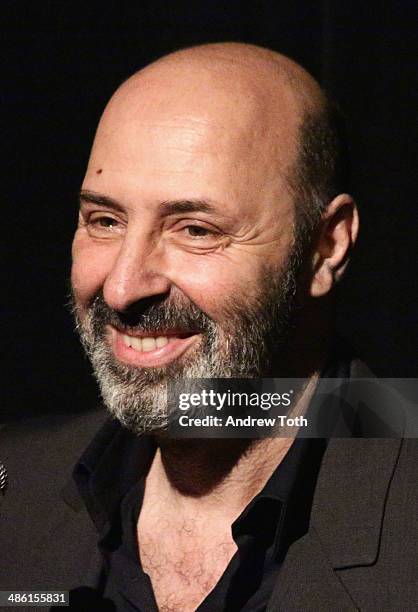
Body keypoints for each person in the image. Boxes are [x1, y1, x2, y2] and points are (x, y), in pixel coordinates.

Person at [1, 43, 417, 611]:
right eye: (104, 220)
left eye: (196, 230)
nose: (122, 288)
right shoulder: (15, 487)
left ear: (327, 245)